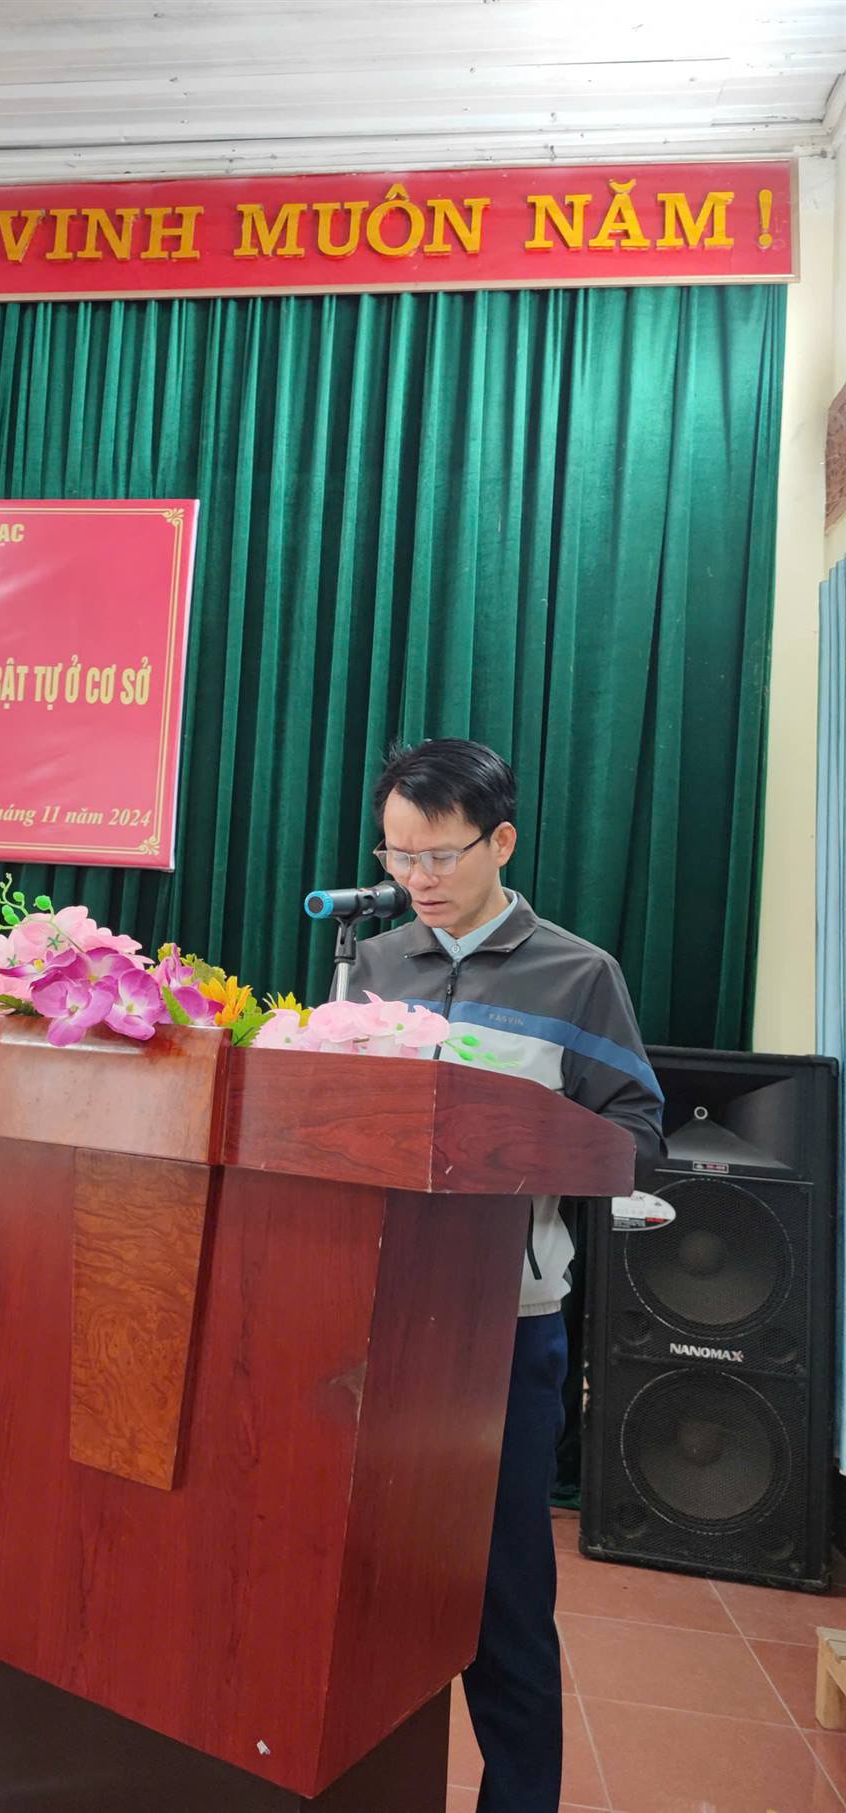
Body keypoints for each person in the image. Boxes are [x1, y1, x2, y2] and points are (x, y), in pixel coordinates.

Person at [347, 738, 664, 1813]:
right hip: (372, 1316)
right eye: (397, 857)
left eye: (439, 855)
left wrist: (512, 1137)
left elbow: (637, 1135)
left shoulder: (578, 974)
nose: (419, 879)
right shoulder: (374, 963)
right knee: (363, 1582)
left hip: (506, 1325)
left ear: (501, 842)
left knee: (502, 1596)